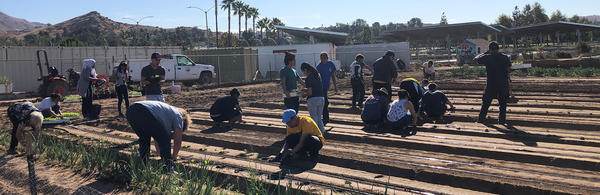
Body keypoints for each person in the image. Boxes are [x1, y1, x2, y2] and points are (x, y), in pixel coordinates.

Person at [126, 101, 190, 172]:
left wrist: (160, 154)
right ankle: (169, 169)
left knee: (145, 138)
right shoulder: (178, 116)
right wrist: (174, 157)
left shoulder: (166, 113)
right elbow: (177, 140)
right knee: (165, 139)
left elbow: (157, 139)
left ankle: (144, 167)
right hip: (145, 111)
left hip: (131, 111)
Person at [473, 42, 511, 125]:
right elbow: (508, 70)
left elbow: (475, 60)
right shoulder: (505, 57)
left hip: (491, 84)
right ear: (498, 48)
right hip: (503, 83)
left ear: (490, 49)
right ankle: (501, 122)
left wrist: (484, 53)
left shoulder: (487, 57)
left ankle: (481, 120)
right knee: (503, 104)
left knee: (486, 103)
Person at [300, 62, 325, 134]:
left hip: (313, 99)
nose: (303, 73)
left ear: (305, 70)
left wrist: (303, 95)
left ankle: (315, 133)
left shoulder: (308, 78)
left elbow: (310, 93)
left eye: (303, 71)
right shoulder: (317, 75)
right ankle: (322, 132)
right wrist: (304, 90)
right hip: (321, 98)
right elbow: (314, 88)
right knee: (319, 117)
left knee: (314, 118)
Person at [316, 52, 338, 126]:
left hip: (326, 86)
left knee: (325, 102)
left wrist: (335, 86)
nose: (323, 60)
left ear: (327, 58)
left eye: (324, 58)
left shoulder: (330, 64)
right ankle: (325, 119)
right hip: (320, 87)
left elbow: (332, 75)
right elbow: (316, 78)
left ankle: (325, 118)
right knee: (324, 102)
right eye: (322, 58)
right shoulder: (319, 67)